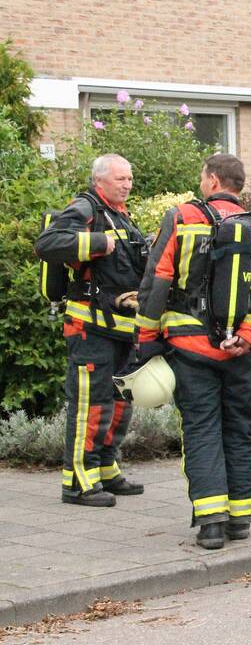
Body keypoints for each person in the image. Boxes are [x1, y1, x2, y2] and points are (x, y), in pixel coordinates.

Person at [133, 153, 251, 549]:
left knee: (201, 430)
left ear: (213, 180)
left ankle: (212, 522)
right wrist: (247, 336)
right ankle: (240, 519)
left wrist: (147, 340)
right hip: (239, 352)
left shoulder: (182, 218)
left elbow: (157, 281)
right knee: (238, 431)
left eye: (203, 177)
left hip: (189, 348)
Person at [36, 153, 147, 507]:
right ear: (100, 180)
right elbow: (47, 244)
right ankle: (78, 483)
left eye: (129, 178)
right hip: (90, 331)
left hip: (120, 330)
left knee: (119, 403)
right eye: (120, 179)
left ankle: (105, 468)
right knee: (90, 405)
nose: (127, 185)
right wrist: (97, 243)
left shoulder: (121, 215)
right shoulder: (85, 209)